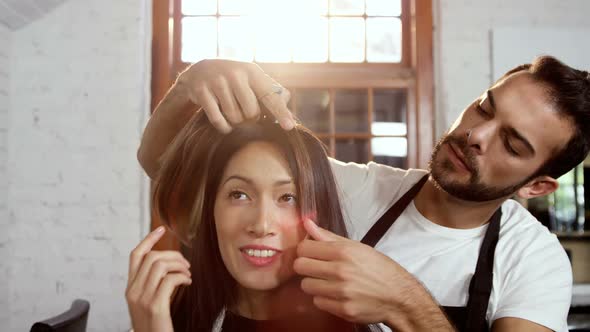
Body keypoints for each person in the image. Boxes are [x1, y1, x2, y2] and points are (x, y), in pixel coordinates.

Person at [137, 56, 590, 331]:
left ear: (537, 185)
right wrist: (187, 88)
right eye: (484, 108)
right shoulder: (354, 187)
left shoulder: (532, 258)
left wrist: (407, 305)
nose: (477, 134)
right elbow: (164, 166)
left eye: (511, 144)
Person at [126, 112, 383, 331]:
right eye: (239, 195)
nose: (261, 225)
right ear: (210, 210)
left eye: (287, 198)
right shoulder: (166, 318)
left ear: (320, 213)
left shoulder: (354, 324)